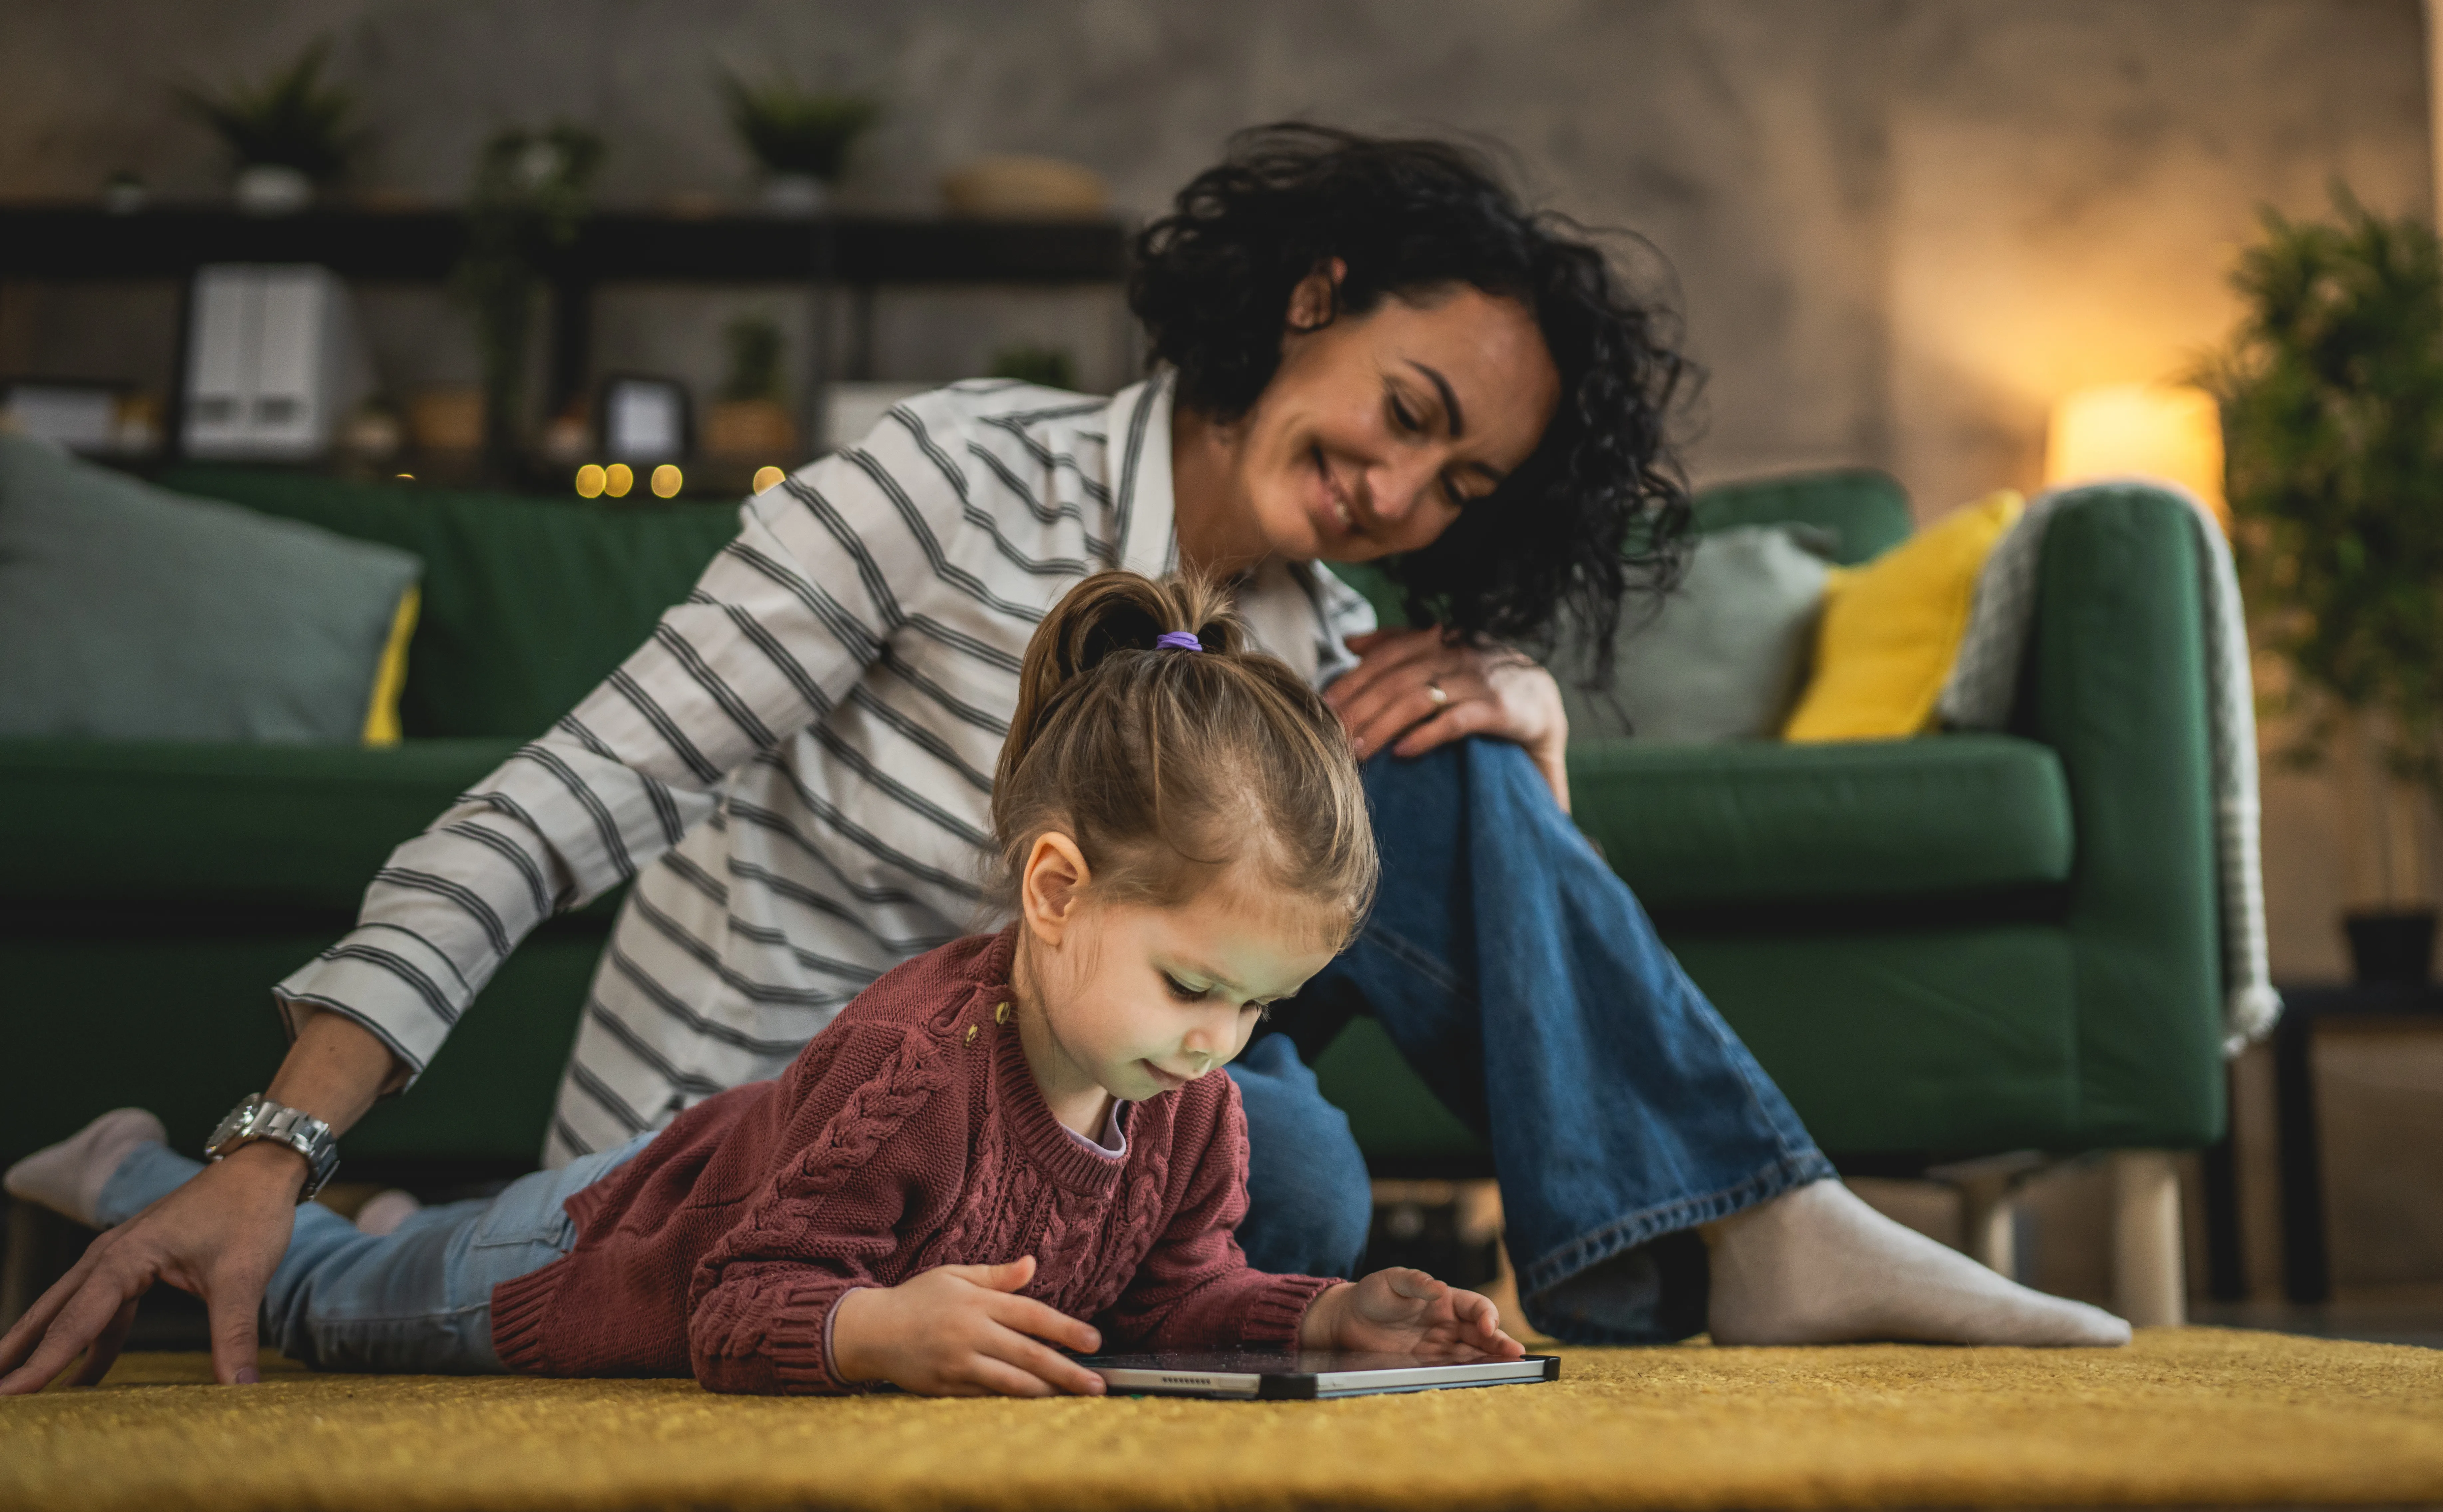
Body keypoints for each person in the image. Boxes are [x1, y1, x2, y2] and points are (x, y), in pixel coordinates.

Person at [0, 126, 2124, 1398]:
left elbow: (1470, 955)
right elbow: (566, 797)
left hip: (1076, 1160)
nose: (1398, 481)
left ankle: (1747, 1231)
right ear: (1304, 297)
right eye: (1397, 403)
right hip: (758, 1169)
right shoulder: (941, 483)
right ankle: (324, 1210)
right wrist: (271, 1141)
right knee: (1289, 1168)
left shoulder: (1324, 647)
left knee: (1412, 853)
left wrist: (1529, 737)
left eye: (1454, 477)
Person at [1, 572, 1522, 1393]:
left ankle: (400, 1221)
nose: (1220, 1042)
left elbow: (1172, 1294)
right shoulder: (916, 1067)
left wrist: (1325, 1320)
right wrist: (873, 1333)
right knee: (331, 1304)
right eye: (1197, 982)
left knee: (393, 1250)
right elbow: (738, 1303)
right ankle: (126, 1168)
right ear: (1056, 891)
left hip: (690, 1182)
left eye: (1258, 1004)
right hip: (599, 1254)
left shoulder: (1193, 1104)